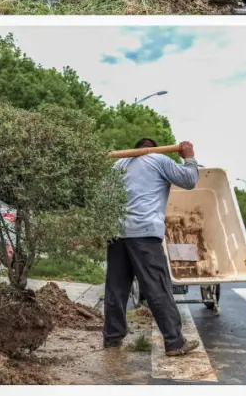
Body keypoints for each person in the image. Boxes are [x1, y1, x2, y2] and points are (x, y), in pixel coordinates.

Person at [104, 138, 201, 357]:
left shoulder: (118, 164)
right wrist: (189, 158)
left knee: (115, 289)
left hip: (117, 234)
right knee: (157, 288)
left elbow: (104, 199)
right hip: (145, 234)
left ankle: (112, 338)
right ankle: (175, 342)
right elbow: (189, 180)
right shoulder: (158, 159)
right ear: (152, 148)